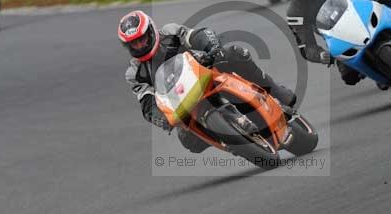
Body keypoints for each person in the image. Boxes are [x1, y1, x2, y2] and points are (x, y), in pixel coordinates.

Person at [118, 10, 296, 153]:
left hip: (205, 70)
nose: (140, 46)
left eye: (142, 39)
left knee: (235, 53)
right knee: (189, 141)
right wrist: (162, 119)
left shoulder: (170, 33)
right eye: (134, 44)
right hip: (182, 102)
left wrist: (212, 48)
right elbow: (147, 104)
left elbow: (196, 35)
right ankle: (229, 138)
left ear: (151, 32)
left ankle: (274, 90)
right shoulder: (134, 73)